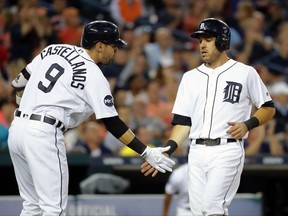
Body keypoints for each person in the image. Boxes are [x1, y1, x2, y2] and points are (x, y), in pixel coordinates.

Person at [7, 20, 175, 216]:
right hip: (43, 134)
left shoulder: (53, 49)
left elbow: (17, 82)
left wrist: (23, 99)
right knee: (53, 209)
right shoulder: (94, 75)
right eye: (113, 46)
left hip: (18, 129)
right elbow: (113, 123)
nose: (115, 51)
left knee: (31, 206)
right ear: (100, 46)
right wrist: (146, 151)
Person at [141, 18, 275, 215]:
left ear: (222, 41)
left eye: (208, 39)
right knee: (200, 212)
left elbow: (268, 107)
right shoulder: (189, 77)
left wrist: (248, 124)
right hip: (195, 151)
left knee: (212, 207)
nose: (202, 44)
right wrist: (168, 149)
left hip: (226, 149)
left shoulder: (245, 73)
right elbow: (183, 122)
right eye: (200, 40)